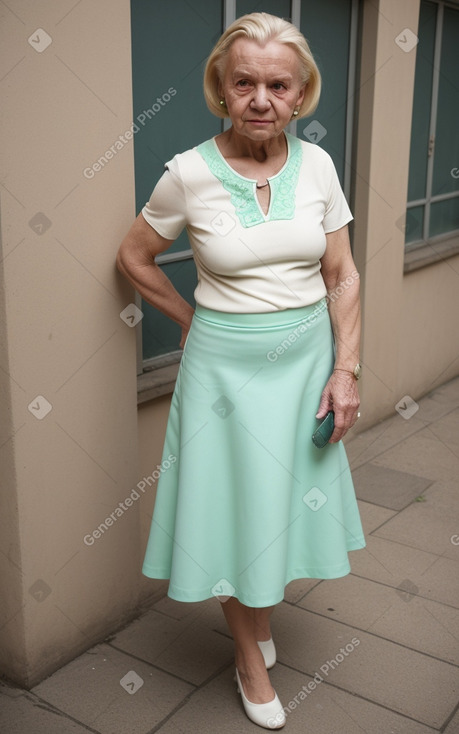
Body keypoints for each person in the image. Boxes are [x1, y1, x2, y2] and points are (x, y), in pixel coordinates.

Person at [117, 12, 366, 730]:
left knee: (282, 501)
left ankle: (256, 618)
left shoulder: (317, 166)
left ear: (300, 94)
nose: (262, 98)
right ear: (221, 91)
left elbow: (342, 273)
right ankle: (248, 657)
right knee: (232, 508)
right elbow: (133, 258)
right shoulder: (187, 174)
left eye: (278, 84)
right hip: (223, 378)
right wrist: (195, 323)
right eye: (245, 82)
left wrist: (344, 370)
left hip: (306, 368)